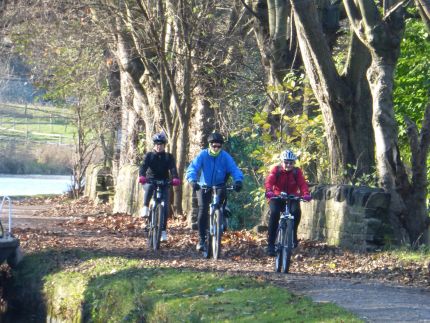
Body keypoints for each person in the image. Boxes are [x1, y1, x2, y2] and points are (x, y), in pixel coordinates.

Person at [186, 132, 244, 251]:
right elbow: (193, 168)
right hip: (204, 186)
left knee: (221, 201)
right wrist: (192, 180)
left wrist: (238, 181)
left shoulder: (225, 156)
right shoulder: (203, 155)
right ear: (210, 145)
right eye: (214, 146)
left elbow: (234, 169)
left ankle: (222, 211)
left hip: (219, 185)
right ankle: (202, 239)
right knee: (202, 209)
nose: (216, 148)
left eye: (218, 146)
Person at [264, 149, 311, 256]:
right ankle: (271, 244)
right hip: (276, 196)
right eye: (286, 162)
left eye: (291, 162)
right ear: (282, 162)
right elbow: (269, 181)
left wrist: (306, 193)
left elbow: (302, 184)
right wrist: (269, 191)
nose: (288, 165)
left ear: (294, 163)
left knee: (296, 212)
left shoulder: (296, 172)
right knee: (274, 213)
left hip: (292, 197)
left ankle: (293, 233)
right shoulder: (276, 170)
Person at [138, 132, 181, 242]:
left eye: (161, 143)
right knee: (149, 188)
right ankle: (145, 207)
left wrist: (175, 178)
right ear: (154, 144)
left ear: (164, 145)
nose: (159, 145)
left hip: (164, 182)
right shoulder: (149, 155)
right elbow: (143, 166)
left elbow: (173, 169)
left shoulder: (168, 157)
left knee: (165, 206)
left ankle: (162, 231)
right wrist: (142, 176)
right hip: (150, 180)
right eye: (157, 143)